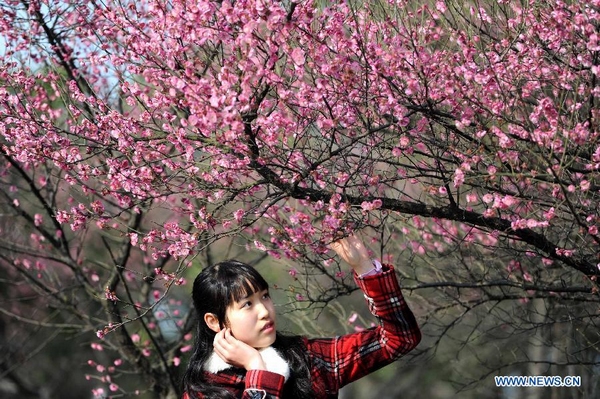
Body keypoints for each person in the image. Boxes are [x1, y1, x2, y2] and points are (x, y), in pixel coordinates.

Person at [182, 235, 421, 399]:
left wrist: (366, 269)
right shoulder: (205, 389)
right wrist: (257, 368)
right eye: (247, 304)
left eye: (264, 296)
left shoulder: (308, 358)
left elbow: (399, 339)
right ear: (214, 321)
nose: (265, 311)